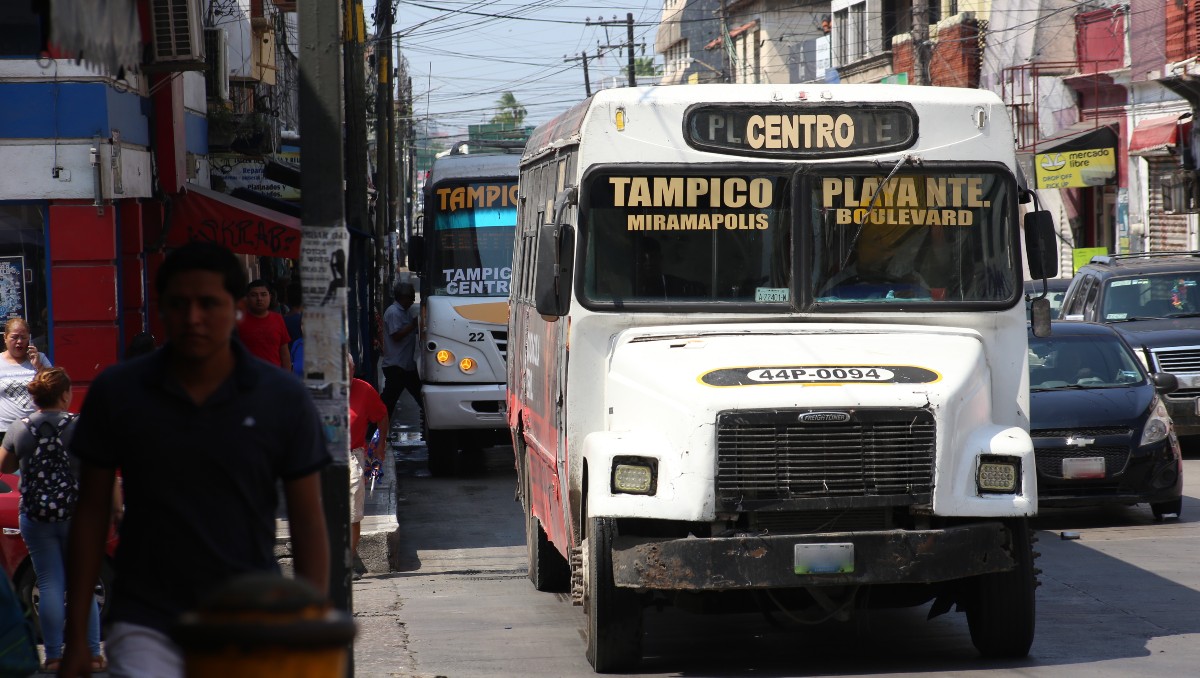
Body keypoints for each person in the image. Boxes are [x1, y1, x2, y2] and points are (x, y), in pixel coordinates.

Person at [59, 242, 331, 678]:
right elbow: (90, 512)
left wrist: (311, 628)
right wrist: (76, 640)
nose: (194, 318)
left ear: (237, 309)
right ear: (162, 309)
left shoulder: (282, 399)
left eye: (209, 303)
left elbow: (307, 519)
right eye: (179, 304)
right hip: (145, 619)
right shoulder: (118, 392)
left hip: (249, 618)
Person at [0, 367, 105, 673]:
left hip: (35, 515)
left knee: (49, 583)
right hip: (76, 514)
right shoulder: (80, 425)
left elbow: (5, 464)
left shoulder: (20, 427)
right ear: (64, 394)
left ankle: (55, 655)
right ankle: (94, 654)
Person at [347, 353, 387, 580]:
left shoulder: (363, 390)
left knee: (353, 513)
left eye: (348, 372)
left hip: (353, 456)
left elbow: (381, 415)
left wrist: (381, 445)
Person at [380, 282, 422, 420]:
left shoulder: (405, 312)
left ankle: (376, 429)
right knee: (387, 403)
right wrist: (413, 325)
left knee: (420, 395)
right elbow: (396, 335)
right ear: (402, 297)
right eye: (410, 298)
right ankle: (373, 430)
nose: (412, 301)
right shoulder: (394, 313)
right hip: (396, 367)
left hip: (406, 366)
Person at [0, 317, 49, 434]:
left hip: (36, 428)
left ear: (29, 338)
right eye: (14, 337)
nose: (19, 341)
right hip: (5, 430)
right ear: (5, 338)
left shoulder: (40, 358)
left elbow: (54, 387)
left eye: (23, 337)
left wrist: (39, 366)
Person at [237, 278, 292, 371]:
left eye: (263, 295)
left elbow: (284, 353)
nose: (259, 299)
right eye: (254, 295)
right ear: (247, 298)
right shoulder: (238, 321)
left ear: (270, 296)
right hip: (247, 379)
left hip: (274, 378)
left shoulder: (278, 319)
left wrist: (287, 378)